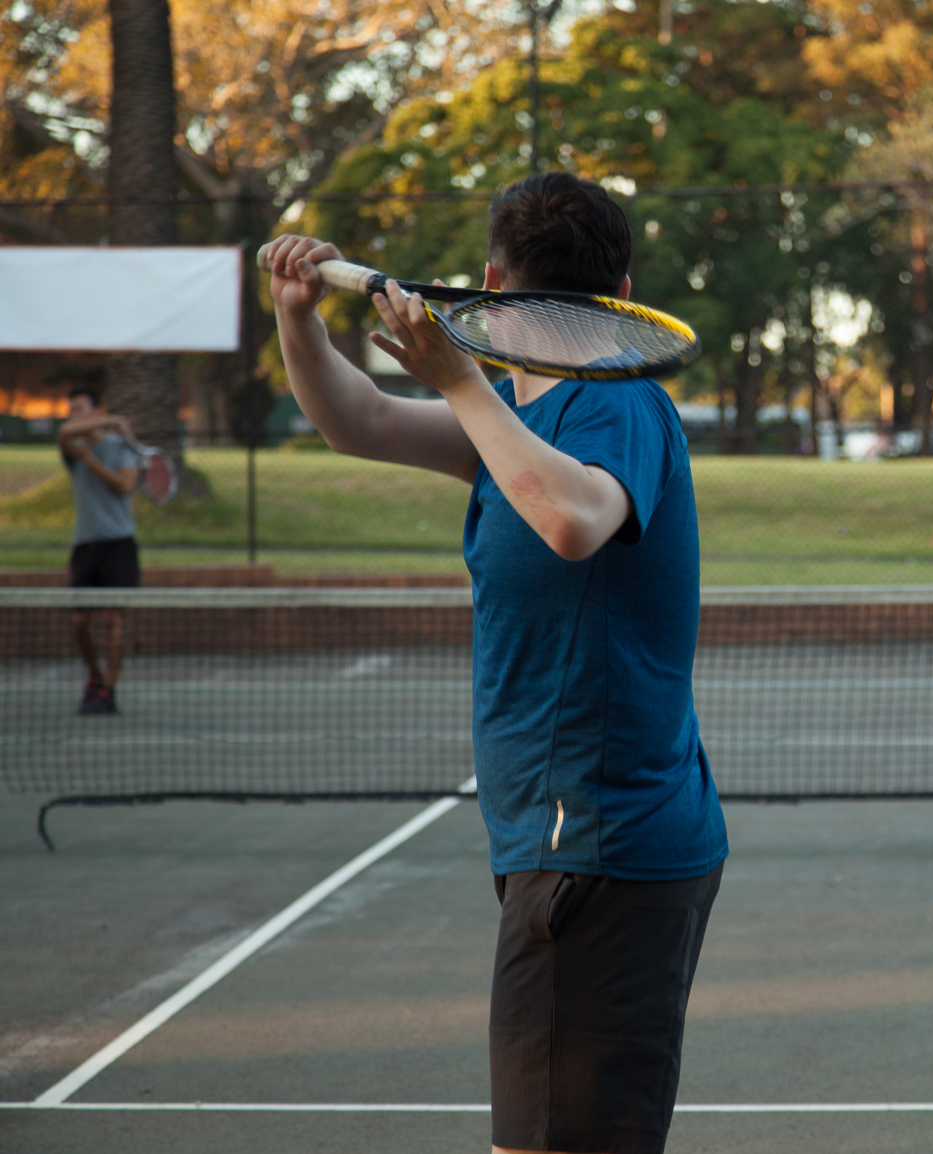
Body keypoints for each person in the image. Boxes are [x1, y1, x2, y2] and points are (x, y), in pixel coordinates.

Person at [260, 172, 728, 1154]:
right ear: (622, 283)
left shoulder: (616, 406)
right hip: (561, 844)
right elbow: (364, 422)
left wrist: (461, 378)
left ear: (491, 279)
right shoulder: (512, 426)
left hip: (598, 850)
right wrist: (298, 318)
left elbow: (573, 519)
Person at [56, 385, 141, 715]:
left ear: (96, 412)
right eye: (71, 410)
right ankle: (93, 676)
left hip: (119, 543)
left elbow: (124, 485)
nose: (74, 417)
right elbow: (64, 431)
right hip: (85, 545)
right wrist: (114, 420)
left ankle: (109, 687)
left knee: (114, 622)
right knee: (80, 622)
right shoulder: (69, 447)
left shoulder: (120, 449)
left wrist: (90, 461)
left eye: (81, 409)